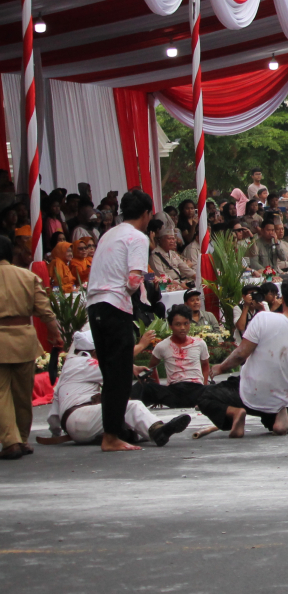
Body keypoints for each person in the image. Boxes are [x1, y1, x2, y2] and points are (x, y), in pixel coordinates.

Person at [198, 277, 288, 437]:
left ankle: (236, 413)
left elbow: (240, 354)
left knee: (204, 396)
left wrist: (220, 368)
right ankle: (281, 415)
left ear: (283, 299)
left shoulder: (263, 318)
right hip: (277, 400)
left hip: (247, 393)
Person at [85, 188, 155, 453]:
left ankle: (114, 431)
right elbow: (134, 279)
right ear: (146, 214)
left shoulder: (107, 234)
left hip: (95, 306)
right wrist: (131, 290)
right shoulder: (137, 237)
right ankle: (111, 435)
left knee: (110, 373)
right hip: (115, 305)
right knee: (120, 375)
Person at [40, 330, 191, 449]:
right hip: (81, 418)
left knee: (132, 424)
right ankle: (158, 430)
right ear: (93, 351)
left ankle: (147, 431)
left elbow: (54, 413)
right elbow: (114, 366)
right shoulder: (84, 363)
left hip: (77, 423)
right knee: (132, 406)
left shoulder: (71, 366)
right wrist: (139, 352)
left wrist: (56, 432)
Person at [0, 235, 62, 459]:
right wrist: (55, 334)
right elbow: (45, 310)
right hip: (24, 340)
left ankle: (10, 441)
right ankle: (22, 438)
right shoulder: (27, 276)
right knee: (22, 393)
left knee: (1, 394)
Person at [130, 305, 209, 408]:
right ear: (171, 325)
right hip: (174, 392)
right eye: (178, 324)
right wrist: (157, 388)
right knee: (141, 387)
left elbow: (206, 365)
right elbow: (152, 366)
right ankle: (126, 411)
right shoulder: (162, 346)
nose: (182, 328)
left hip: (196, 390)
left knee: (223, 387)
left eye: (186, 324)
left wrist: (205, 388)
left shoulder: (200, 343)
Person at [149, 222, 196, 287]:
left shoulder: (173, 253)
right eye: (169, 238)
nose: (172, 241)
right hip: (168, 285)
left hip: (180, 282)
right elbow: (162, 276)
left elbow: (185, 268)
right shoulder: (155, 256)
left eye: (173, 238)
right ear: (161, 240)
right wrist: (180, 285)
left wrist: (198, 277)